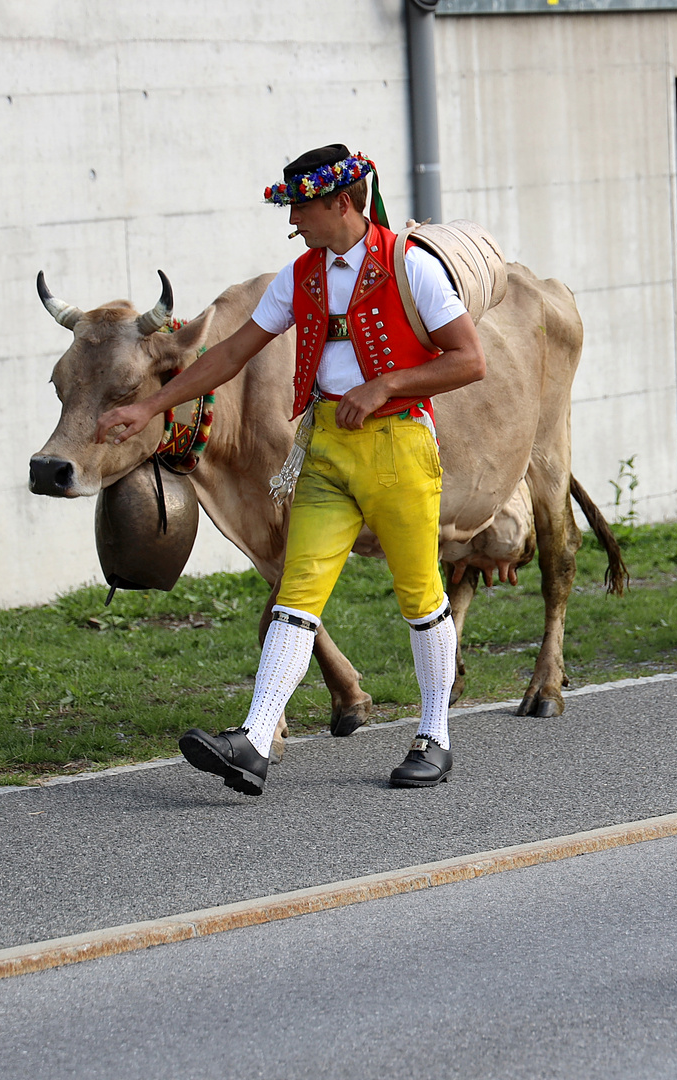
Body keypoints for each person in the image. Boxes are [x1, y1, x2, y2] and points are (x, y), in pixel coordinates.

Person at [95, 145, 485, 795]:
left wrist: (385, 384)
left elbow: (467, 360)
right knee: (296, 596)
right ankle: (251, 742)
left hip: (398, 448)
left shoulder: (409, 266)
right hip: (326, 448)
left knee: (419, 596)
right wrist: (149, 406)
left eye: (300, 207)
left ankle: (434, 736)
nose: (293, 220)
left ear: (340, 204)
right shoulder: (300, 275)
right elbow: (231, 354)